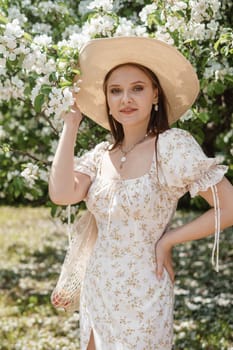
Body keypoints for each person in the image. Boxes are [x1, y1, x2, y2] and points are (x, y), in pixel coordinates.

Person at [49, 37, 233, 350]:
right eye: (115, 90)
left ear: (155, 94)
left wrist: (168, 239)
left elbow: (228, 207)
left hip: (146, 287)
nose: (126, 99)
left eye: (137, 88)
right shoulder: (100, 155)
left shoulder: (171, 146)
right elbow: (61, 193)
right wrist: (71, 122)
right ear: (107, 99)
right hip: (99, 282)